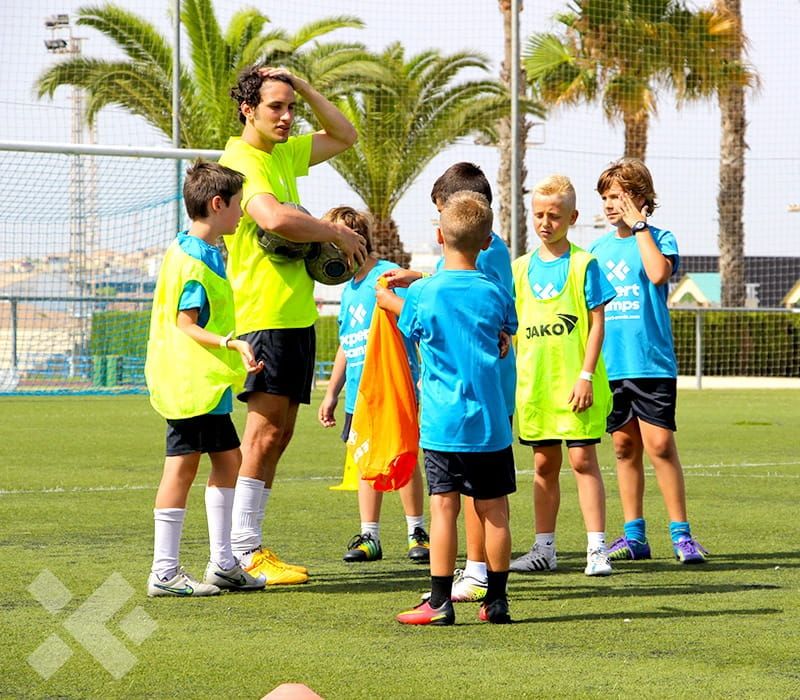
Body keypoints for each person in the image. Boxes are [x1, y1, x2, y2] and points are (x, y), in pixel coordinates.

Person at [219, 65, 368, 585]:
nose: (285, 117)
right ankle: (242, 552)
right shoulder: (242, 160)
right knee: (262, 436)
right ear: (248, 110)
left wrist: (301, 84)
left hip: (295, 314)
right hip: (262, 315)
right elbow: (273, 218)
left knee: (279, 435)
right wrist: (334, 232)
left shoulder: (282, 153)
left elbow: (345, 136)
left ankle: (248, 546)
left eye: (290, 108)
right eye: (275, 107)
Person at [377, 191, 517, 625]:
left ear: (439, 235)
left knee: (443, 507)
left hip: (443, 424)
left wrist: (385, 297)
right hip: (490, 424)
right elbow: (504, 331)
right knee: (494, 510)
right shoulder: (495, 292)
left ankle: (439, 603)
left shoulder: (423, 292)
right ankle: (496, 601)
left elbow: (412, 322)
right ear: (487, 241)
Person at [144, 160, 267, 597]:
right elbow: (186, 324)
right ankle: (164, 572)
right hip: (189, 383)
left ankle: (223, 564)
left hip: (205, 384)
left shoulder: (199, 249)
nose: (242, 213)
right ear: (217, 204)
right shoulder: (194, 261)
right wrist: (232, 343)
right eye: (238, 205)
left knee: (229, 460)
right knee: (181, 468)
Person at [588, 158, 708, 564]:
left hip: (651, 363)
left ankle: (682, 535)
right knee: (624, 448)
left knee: (660, 445)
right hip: (611, 366)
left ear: (640, 198)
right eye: (605, 198)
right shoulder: (596, 250)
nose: (609, 205)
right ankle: (634, 536)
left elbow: (657, 274)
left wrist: (639, 227)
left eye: (617, 197)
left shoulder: (661, 237)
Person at [510, 174, 616, 578]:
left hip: (575, 386)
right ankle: (544, 549)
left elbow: (597, 323)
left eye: (554, 216)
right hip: (536, 388)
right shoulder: (519, 268)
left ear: (572, 217)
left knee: (583, 460)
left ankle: (597, 549)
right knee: (543, 465)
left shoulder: (585, 264)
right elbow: (510, 322)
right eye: (538, 214)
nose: (545, 223)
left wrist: (586, 375)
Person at [317, 206, 429, 564]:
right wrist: (332, 393)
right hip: (359, 395)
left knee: (403, 457)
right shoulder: (348, 289)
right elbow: (346, 344)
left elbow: (417, 315)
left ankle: (417, 532)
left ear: (357, 241)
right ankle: (370, 536)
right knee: (365, 461)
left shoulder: (387, 276)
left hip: (393, 389)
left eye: (335, 243)